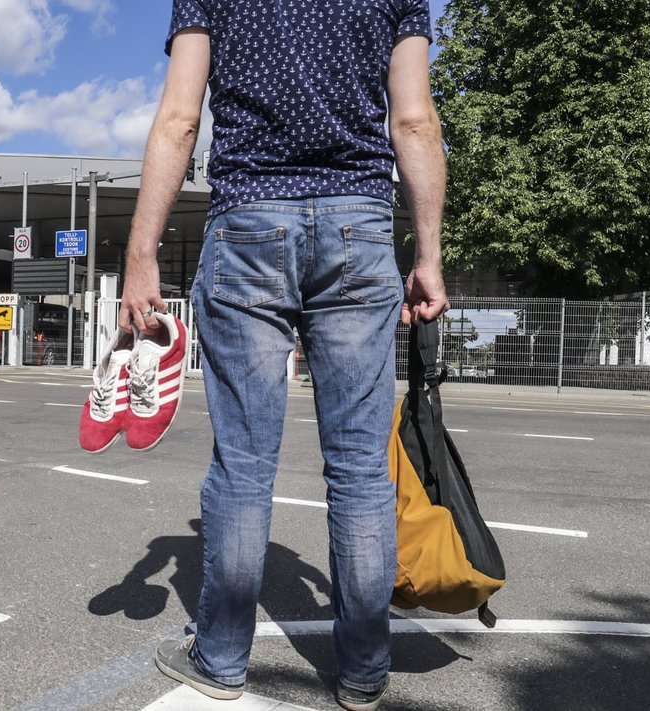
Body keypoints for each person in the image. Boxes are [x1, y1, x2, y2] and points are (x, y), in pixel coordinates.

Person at [118, 1, 449, 709]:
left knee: (243, 463)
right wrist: (428, 255)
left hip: (248, 224)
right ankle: (362, 671)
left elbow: (180, 119)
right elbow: (415, 119)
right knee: (359, 467)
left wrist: (141, 252)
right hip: (359, 224)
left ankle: (221, 657)